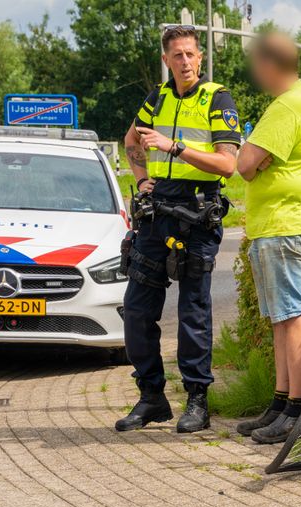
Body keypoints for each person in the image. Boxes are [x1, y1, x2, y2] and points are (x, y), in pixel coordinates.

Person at [115, 25, 241, 434]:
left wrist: (174, 147)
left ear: (200, 58)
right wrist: (140, 177)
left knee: (193, 314)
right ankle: (151, 397)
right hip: (157, 212)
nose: (184, 62)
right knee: (136, 311)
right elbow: (131, 140)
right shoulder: (158, 96)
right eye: (177, 55)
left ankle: (197, 402)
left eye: (190, 54)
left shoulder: (216, 98)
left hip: (197, 213)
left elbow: (227, 164)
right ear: (166, 60)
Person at [234, 31, 301, 444]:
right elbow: (254, 162)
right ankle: (279, 403)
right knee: (281, 320)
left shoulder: (287, 107)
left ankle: (296, 410)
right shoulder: (298, 102)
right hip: (277, 226)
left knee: (292, 317)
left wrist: (254, 157)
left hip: (284, 225)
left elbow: (244, 163)